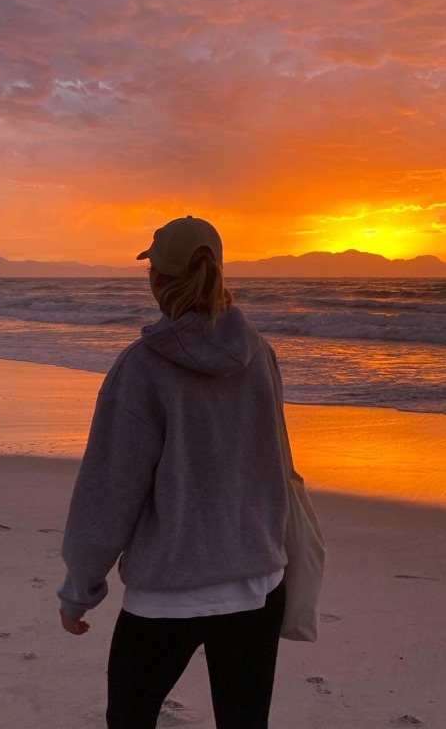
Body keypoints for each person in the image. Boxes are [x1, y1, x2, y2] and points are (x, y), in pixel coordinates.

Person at [58, 216, 292, 729]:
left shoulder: (141, 367)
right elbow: (277, 464)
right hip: (257, 582)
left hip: (168, 593)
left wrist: (79, 590)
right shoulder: (260, 353)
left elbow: (108, 492)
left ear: (156, 278)